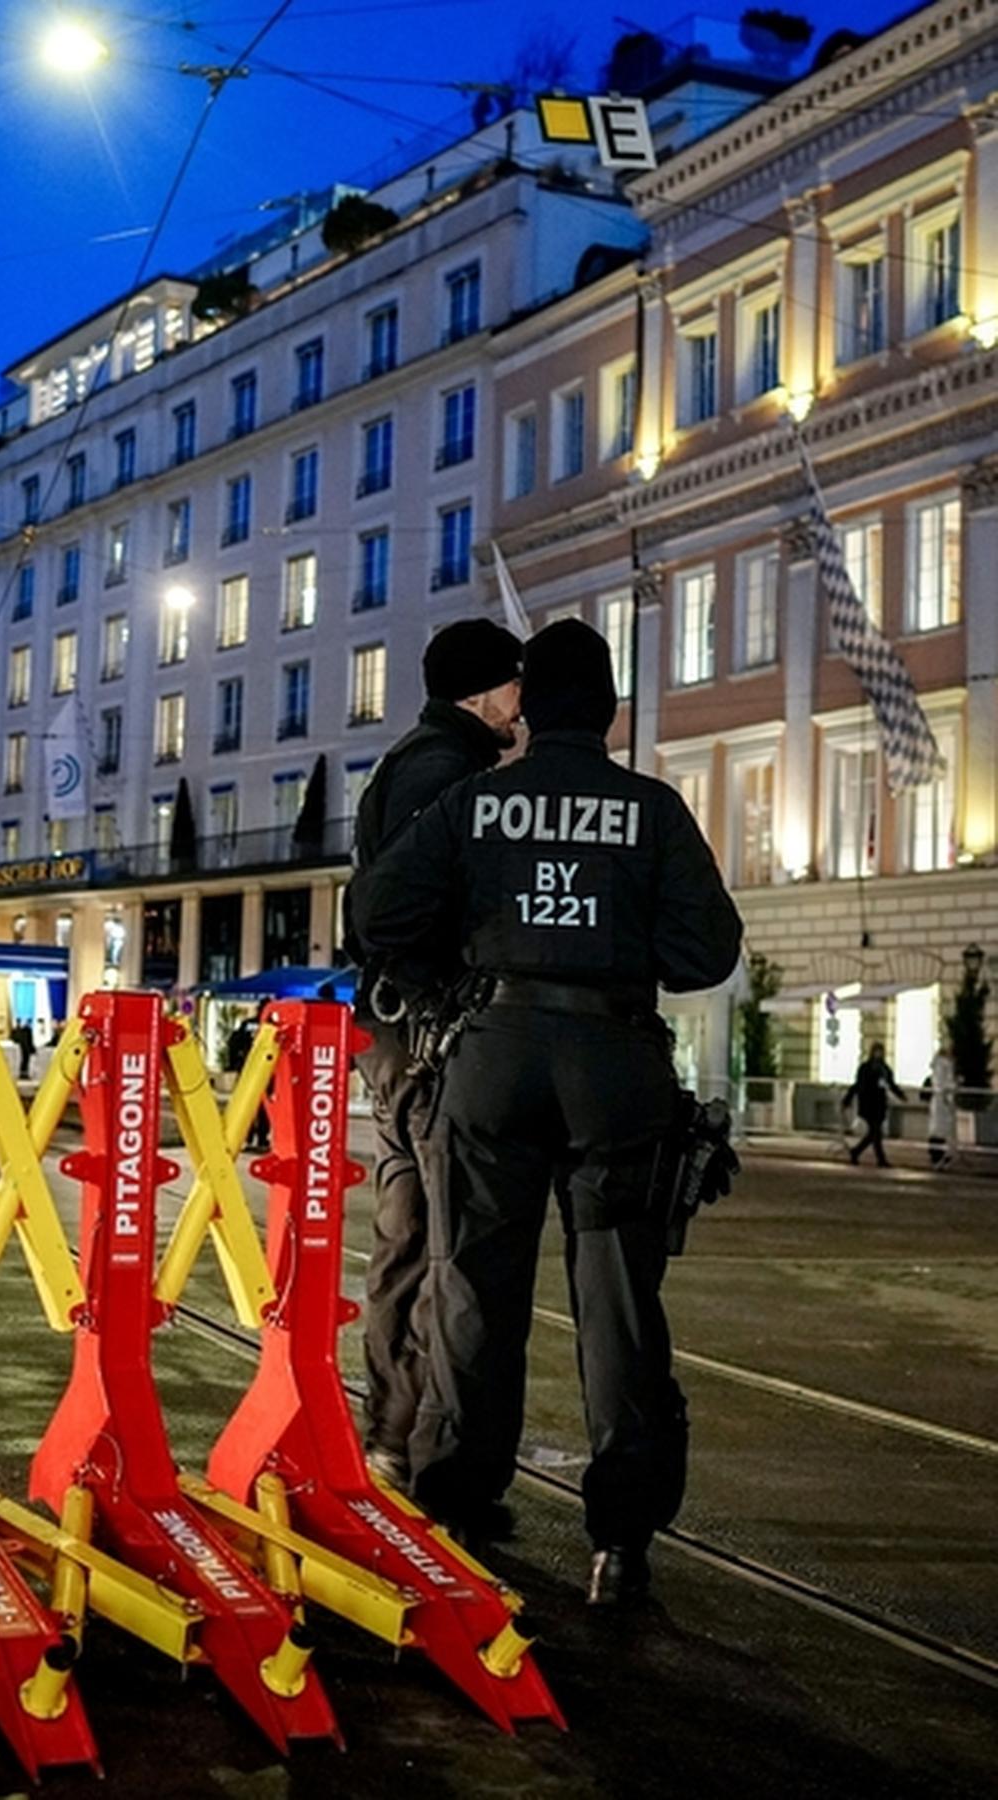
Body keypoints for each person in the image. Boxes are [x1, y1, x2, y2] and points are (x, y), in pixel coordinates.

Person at [348, 619, 742, 1605]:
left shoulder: (479, 802)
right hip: (614, 1063)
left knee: (476, 1281)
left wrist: (474, 946)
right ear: (606, 710)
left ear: (532, 706)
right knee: (617, 1302)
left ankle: (459, 1496)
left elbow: (375, 911)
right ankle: (621, 1537)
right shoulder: (650, 811)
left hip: (494, 1055)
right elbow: (709, 953)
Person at [341, 618, 523, 1489]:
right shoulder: (442, 772)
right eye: (513, 685)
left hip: (397, 1026)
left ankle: (392, 1428)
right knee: (431, 1233)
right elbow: (401, 903)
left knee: (407, 1226)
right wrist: (447, 982)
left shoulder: (421, 760)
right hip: (423, 1029)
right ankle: (407, 1438)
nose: (522, 701)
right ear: (484, 692)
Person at [847, 1042, 904, 1167]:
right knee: (875, 1132)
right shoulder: (865, 1068)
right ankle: (879, 1159)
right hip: (868, 1104)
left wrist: (901, 1095)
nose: (879, 1054)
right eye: (877, 1051)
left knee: (874, 1133)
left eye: (881, 1051)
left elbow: (891, 1084)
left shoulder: (885, 1069)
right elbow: (857, 1084)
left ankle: (856, 1152)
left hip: (879, 1105)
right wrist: (848, 1099)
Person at [924, 1041, 956, 1170]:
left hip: (943, 1101)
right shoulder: (943, 1064)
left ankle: (941, 1158)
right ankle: (938, 1157)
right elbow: (944, 1083)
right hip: (942, 1101)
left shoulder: (943, 1064)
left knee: (941, 1130)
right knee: (940, 1130)